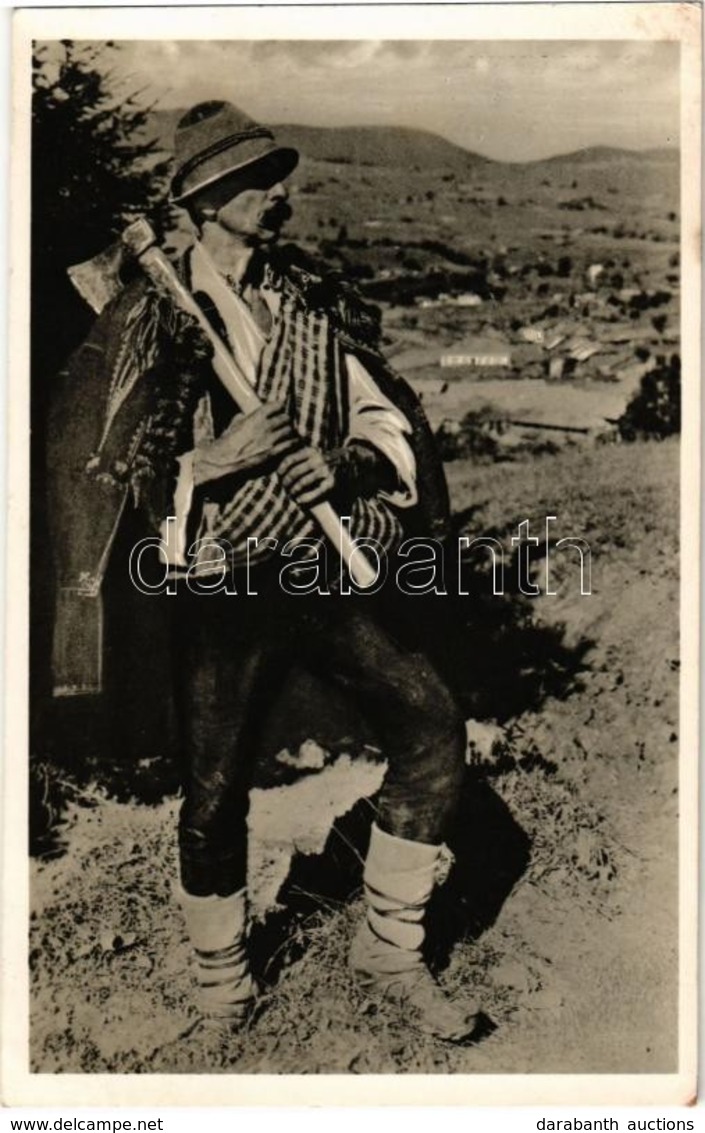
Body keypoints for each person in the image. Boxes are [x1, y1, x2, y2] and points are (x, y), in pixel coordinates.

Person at [49, 101, 479, 1043]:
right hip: (219, 583)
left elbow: (383, 418)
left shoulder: (311, 304)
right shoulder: (152, 314)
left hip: (321, 571)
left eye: (277, 176)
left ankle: (388, 948)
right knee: (214, 793)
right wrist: (213, 460)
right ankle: (223, 993)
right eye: (253, 181)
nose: (278, 193)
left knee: (433, 729)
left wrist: (349, 465)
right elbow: (101, 470)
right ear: (203, 201)